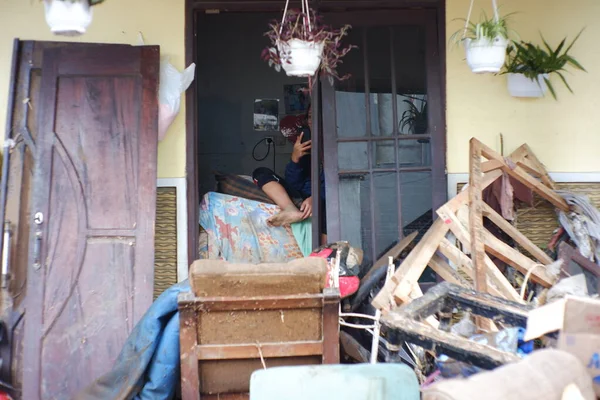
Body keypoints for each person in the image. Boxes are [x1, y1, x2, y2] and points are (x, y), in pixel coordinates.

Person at [252, 105, 326, 233]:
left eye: (316, 116)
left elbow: (338, 183)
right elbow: (294, 183)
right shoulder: (306, 143)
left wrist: (317, 197)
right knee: (260, 172)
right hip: (301, 197)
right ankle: (289, 209)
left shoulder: (336, 145)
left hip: (324, 199)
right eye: (309, 117)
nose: (311, 121)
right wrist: (295, 159)